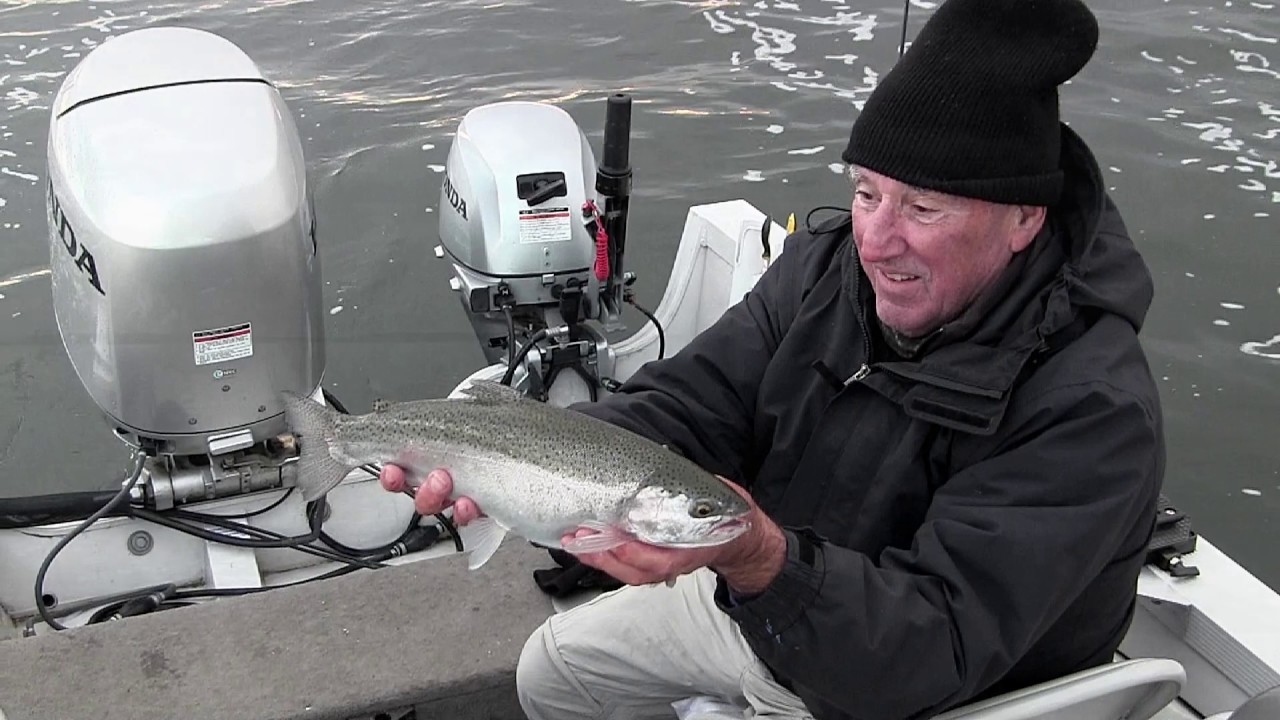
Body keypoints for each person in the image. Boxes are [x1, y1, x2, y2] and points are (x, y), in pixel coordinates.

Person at [380, 0, 1167, 716]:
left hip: (919, 686)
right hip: (773, 591)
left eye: (923, 208)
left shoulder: (1092, 409)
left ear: (1024, 218)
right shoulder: (828, 270)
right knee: (553, 675)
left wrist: (760, 558)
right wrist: (526, 460)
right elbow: (695, 402)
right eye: (866, 193)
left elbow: (937, 641)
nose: (877, 239)